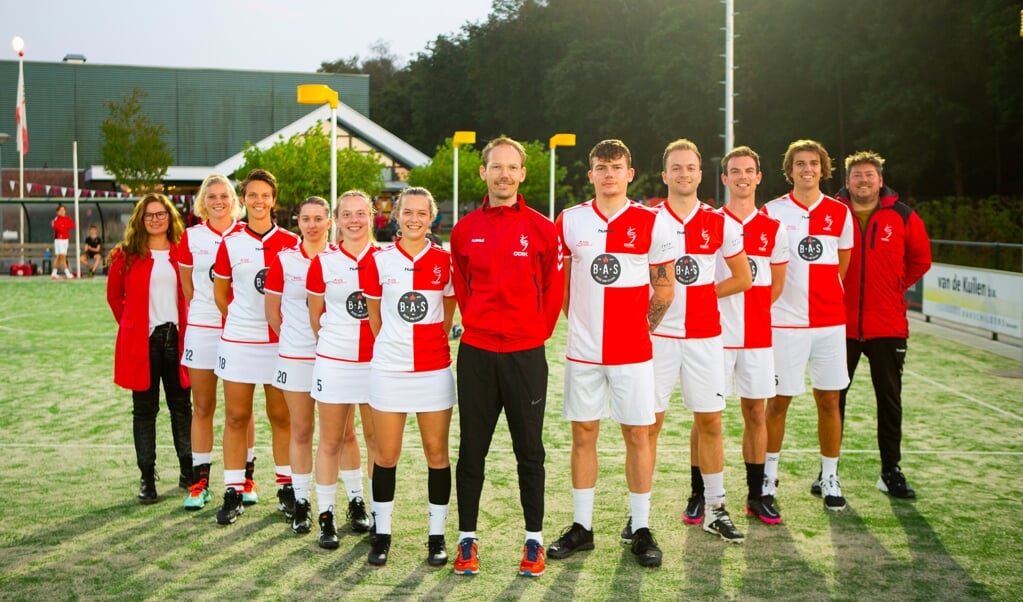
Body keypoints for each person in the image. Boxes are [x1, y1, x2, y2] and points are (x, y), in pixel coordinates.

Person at [548, 139, 675, 568]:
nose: (608, 174)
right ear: (590, 175)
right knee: (583, 435)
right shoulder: (569, 220)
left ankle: (640, 527)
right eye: (600, 167)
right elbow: (563, 287)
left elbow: (665, 286)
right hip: (583, 354)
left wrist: (644, 328)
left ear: (629, 172)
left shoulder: (651, 222)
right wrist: (580, 325)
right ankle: (582, 527)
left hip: (633, 353)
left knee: (638, 435)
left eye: (615, 166)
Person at [449, 137, 565, 577]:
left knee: (529, 452)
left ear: (522, 174)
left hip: (525, 356)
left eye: (511, 167)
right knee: (471, 451)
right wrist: (478, 324)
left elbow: (553, 291)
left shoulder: (541, 228)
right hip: (477, 354)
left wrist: (534, 334)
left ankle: (533, 542)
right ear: (483, 173)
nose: (503, 174)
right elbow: (462, 289)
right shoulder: (464, 230)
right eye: (495, 167)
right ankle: (466, 541)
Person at [641, 139, 751, 544]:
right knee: (648, 425)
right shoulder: (649, 219)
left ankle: (716, 508)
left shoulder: (722, 222)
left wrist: (703, 295)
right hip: (660, 338)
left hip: (705, 337)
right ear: (665, 174)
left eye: (691, 167)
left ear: (700, 174)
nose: (684, 173)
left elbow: (743, 278)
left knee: (710, 422)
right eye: (676, 167)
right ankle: (641, 517)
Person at [363, 186, 456, 567]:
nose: (414, 219)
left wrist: (431, 344)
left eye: (422, 212)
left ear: (431, 217)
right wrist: (396, 350)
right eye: (408, 212)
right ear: (395, 216)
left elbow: (448, 313)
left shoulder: (446, 260)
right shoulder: (378, 260)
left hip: (433, 370)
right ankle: (382, 533)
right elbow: (375, 319)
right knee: (386, 455)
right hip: (389, 369)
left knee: (437, 454)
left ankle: (436, 536)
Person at [761, 139, 853, 512]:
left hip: (830, 323)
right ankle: (767, 476)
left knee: (829, 400)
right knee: (778, 401)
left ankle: (829, 475)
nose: (807, 169)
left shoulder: (839, 213)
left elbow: (840, 264)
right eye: (800, 163)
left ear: (823, 168)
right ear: (790, 169)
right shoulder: (772, 211)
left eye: (813, 163)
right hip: (785, 322)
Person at [836, 151, 932, 499]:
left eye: (869, 175)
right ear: (847, 181)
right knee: (833, 401)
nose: (863, 181)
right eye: (857, 175)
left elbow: (921, 258)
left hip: (887, 325)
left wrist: (895, 284)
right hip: (839, 325)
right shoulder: (832, 214)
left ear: (880, 180)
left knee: (889, 401)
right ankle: (828, 472)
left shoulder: (902, 215)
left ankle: (890, 469)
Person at [212, 169, 300, 525]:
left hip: (279, 344)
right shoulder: (230, 242)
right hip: (239, 342)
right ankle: (233, 489)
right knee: (236, 417)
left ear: (273, 200)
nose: (259, 201)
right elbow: (221, 295)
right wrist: (242, 322)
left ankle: (287, 487)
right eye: (252, 195)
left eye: (265, 195)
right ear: (243, 199)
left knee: (282, 417)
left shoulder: (291, 242)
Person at [716, 146, 789, 524]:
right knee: (708, 416)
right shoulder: (711, 223)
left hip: (758, 337)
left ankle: (757, 494)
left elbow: (775, 286)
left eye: (749, 171)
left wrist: (754, 312)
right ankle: (702, 494)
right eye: (735, 171)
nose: (742, 177)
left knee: (756, 413)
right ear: (725, 178)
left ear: (759, 177)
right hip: (715, 336)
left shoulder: (774, 228)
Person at [106, 193, 192, 503]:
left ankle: (188, 471)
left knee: (181, 408)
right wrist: (132, 325)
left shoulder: (183, 251)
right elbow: (115, 298)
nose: (155, 219)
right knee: (145, 412)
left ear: (170, 217)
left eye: (161, 214)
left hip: (178, 340)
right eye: (149, 215)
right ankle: (147, 477)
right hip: (143, 343)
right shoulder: (126, 255)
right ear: (140, 220)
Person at [178, 174, 257, 511]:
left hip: (241, 330)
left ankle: (246, 478)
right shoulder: (191, 237)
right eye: (212, 196)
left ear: (234, 200)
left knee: (242, 411)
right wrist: (211, 315)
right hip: (204, 328)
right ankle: (199, 483)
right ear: (202, 201)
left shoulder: (246, 235)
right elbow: (189, 289)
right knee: (203, 406)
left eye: (224, 195)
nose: (219, 201)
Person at [306, 190, 379, 549]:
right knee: (332, 440)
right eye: (347, 214)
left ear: (371, 216)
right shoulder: (323, 261)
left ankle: (375, 512)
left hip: (375, 365)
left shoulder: (385, 258)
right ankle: (327, 517)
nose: (354, 220)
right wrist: (336, 348)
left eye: (360, 213)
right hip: (334, 362)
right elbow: (315, 317)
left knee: (375, 441)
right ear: (337, 219)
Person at [264, 196, 333, 534]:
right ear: (298, 222)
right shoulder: (285, 260)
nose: (312, 224)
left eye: (319, 218)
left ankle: (345, 503)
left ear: (329, 222)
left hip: (335, 356)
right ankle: (301, 503)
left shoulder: (339, 259)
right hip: (296, 356)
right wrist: (296, 339)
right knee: (301, 430)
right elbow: (272, 314)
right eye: (306, 219)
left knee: (341, 435)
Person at [52, 204, 75, 279]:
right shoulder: (56, 219)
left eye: (63, 210)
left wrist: (65, 226)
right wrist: (64, 227)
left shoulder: (67, 218)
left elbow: (72, 225)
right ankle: (67, 273)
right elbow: (59, 228)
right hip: (59, 240)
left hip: (66, 239)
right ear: (57, 212)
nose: (62, 212)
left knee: (59, 257)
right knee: (63, 256)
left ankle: (53, 274)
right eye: (60, 210)